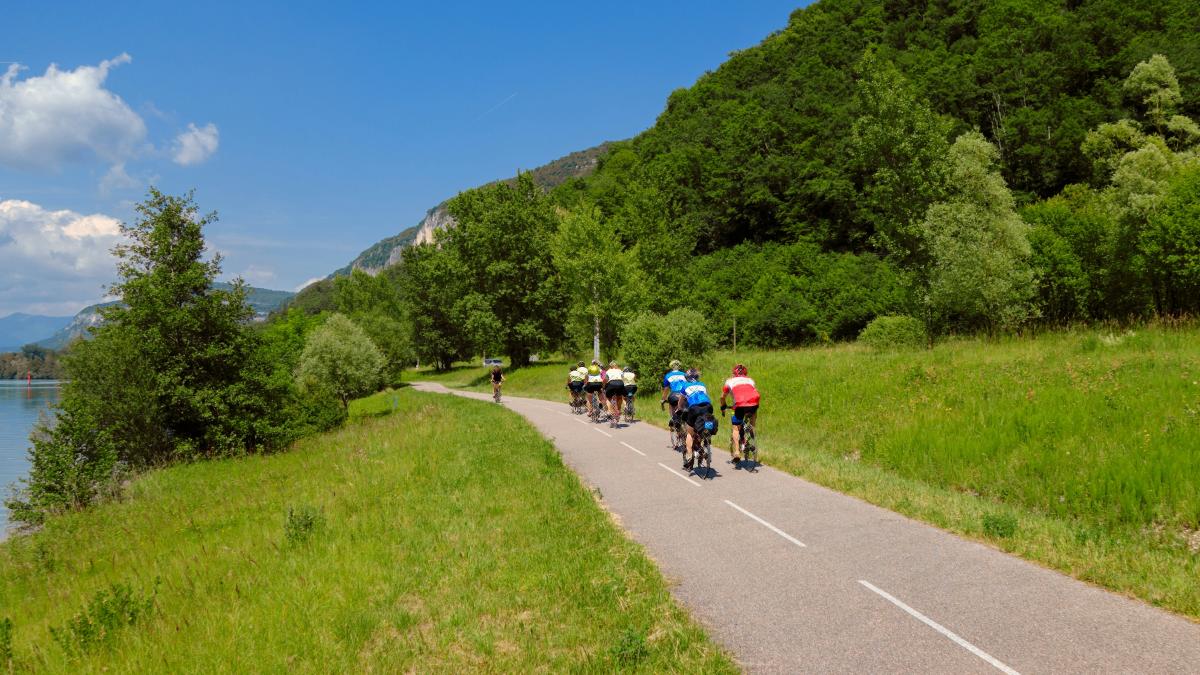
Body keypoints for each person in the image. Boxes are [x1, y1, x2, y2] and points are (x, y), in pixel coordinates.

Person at [720, 363, 761, 467]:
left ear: (734, 373)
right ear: (745, 373)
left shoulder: (729, 381)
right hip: (754, 403)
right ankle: (752, 431)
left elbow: (723, 397)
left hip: (739, 405)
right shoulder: (750, 380)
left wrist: (723, 406)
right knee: (752, 417)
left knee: (736, 428)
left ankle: (737, 452)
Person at [681, 368, 714, 471]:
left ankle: (689, 455)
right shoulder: (702, 384)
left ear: (687, 378)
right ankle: (707, 439)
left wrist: (679, 408)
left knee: (689, 433)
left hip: (694, 408)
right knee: (706, 423)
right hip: (708, 407)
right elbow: (705, 396)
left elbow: (680, 401)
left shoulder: (685, 386)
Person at [602, 360, 627, 428]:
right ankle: (618, 410)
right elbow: (623, 378)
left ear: (610, 366)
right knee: (619, 397)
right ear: (616, 366)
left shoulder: (608, 371)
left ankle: (610, 412)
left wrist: (603, 386)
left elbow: (606, 380)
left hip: (611, 384)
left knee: (608, 398)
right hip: (620, 384)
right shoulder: (620, 370)